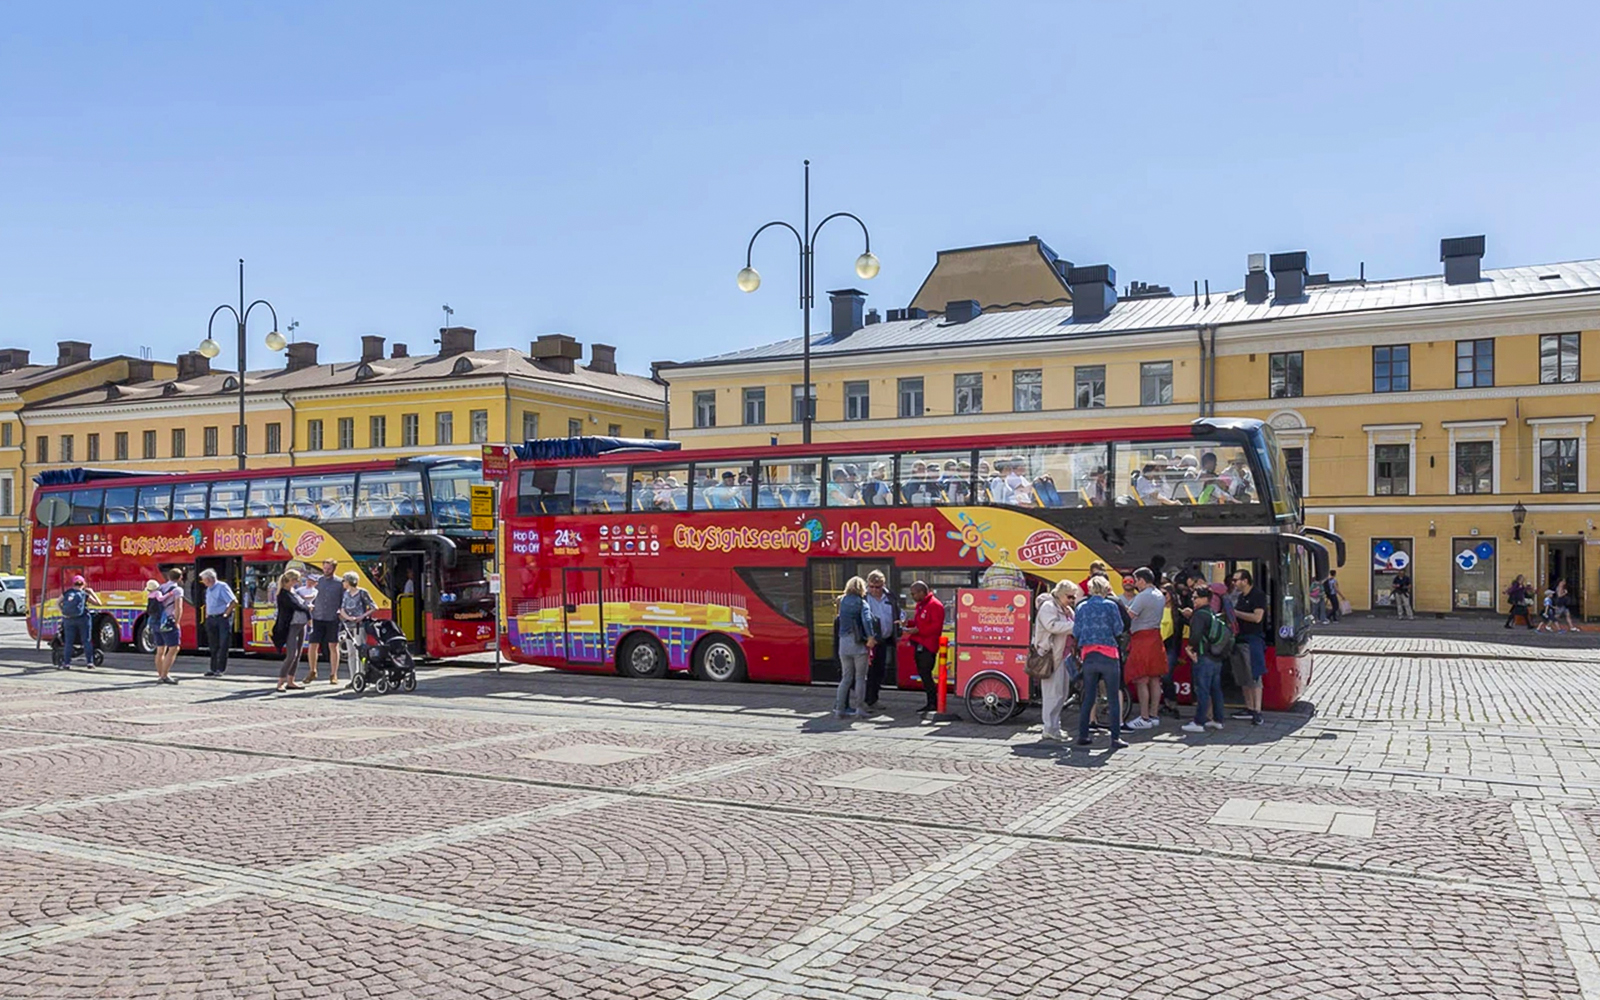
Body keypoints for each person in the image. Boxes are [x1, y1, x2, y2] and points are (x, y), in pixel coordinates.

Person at [1072, 576, 1127, 749]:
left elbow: (1076, 632)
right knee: (1112, 697)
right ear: (1106, 589)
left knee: (1088, 697)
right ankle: (1115, 738)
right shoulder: (1111, 605)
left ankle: (1083, 735)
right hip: (1109, 655)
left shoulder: (1081, 607)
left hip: (1089, 656)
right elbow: (1119, 628)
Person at [1033, 580, 1079, 741]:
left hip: (1064, 655)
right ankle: (1049, 728)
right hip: (1051, 655)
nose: (1073, 600)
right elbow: (1051, 626)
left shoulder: (1065, 608)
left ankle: (1055, 727)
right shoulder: (1049, 607)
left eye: (1074, 597)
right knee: (1053, 693)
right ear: (1060, 594)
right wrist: (1074, 627)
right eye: (1070, 596)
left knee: (1062, 693)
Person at [1123, 568, 1167, 729]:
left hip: (1142, 638)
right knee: (1155, 677)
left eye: (1135, 580)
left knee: (1141, 679)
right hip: (1155, 636)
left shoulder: (1142, 596)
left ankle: (1144, 717)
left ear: (1141, 580)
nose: (1134, 583)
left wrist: (1122, 607)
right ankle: (1154, 715)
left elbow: (1130, 616)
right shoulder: (1159, 594)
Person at [1183, 588, 1227, 734]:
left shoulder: (1199, 615)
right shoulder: (1212, 613)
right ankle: (1218, 720)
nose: (1193, 600)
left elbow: (1195, 636)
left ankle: (1199, 722)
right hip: (1216, 657)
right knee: (1216, 690)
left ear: (1204, 599)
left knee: (1202, 690)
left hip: (1203, 656)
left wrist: (1190, 649)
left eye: (1195, 598)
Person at [1230, 569, 1267, 725]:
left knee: (1254, 675)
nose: (1234, 583)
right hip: (1239, 639)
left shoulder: (1258, 596)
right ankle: (1249, 707)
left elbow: (1257, 618)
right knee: (1243, 676)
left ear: (1245, 581)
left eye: (1236, 580)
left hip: (1253, 640)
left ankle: (1257, 711)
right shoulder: (1240, 596)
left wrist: (1235, 613)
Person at [834, 576, 875, 719]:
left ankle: (839, 709)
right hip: (857, 644)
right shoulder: (861, 603)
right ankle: (859, 708)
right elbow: (867, 619)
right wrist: (870, 637)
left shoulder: (842, 601)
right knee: (860, 678)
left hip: (843, 643)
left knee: (846, 678)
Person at [904, 580, 945, 713]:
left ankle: (932, 703)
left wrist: (918, 630)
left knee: (926, 674)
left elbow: (936, 627)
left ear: (922, 592)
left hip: (928, 646)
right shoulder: (922, 605)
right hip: (920, 643)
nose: (912, 597)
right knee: (923, 674)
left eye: (913, 594)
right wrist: (908, 623)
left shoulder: (934, 605)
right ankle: (930, 702)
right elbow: (919, 622)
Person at [272, 569, 311, 692]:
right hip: (292, 625)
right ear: (289, 580)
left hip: (301, 624)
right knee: (291, 654)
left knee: (298, 653)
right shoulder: (283, 594)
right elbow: (297, 606)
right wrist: (308, 607)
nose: (297, 582)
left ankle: (291, 680)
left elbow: (302, 605)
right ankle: (281, 682)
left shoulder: (293, 592)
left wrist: (308, 616)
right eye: (295, 580)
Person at [305, 560, 343, 685]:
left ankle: (333, 674)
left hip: (332, 618)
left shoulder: (340, 583)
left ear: (334, 569)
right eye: (325, 568)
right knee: (313, 645)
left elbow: (344, 600)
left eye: (329, 568)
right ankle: (312, 671)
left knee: (333, 645)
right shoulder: (317, 582)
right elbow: (308, 595)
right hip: (316, 617)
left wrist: (341, 612)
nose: (326, 570)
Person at [863, 571, 896, 712]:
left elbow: (896, 612)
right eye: (872, 586)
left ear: (883, 585)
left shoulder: (890, 597)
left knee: (880, 672)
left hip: (884, 640)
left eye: (878, 587)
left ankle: (873, 699)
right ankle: (866, 701)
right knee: (867, 673)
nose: (875, 590)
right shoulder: (863, 598)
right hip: (869, 641)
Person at [56, 574, 100, 670]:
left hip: (68, 620)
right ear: (83, 584)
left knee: (69, 642)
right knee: (86, 641)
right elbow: (98, 603)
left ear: (73, 583)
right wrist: (92, 592)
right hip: (83, 619)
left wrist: (63, 612)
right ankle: (89, 663)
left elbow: (58, 602)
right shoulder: (84, 594)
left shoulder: (67, 592)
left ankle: (66, 663)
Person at [199, 568, 237, 677]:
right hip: (211, 618)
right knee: (213, 644)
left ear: (209, 579)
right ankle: (213, 668)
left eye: (204, 580)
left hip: (221, 618)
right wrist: (207, 614)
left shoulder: (222, 587)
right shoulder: (208, 590)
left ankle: (220, 669)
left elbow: (233, 601)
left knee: (223, 643)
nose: (203, 583)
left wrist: (226, 614)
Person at [153, 568, 185, 684]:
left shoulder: (160, 588)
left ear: (168, 577)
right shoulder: (177, 590)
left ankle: (161, 674)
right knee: (174, 648)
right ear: (180, 577)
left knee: (160, 649)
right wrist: (177, 622)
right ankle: (164, 676)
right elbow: (178, 608)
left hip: (156, 621)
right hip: (168, 621)